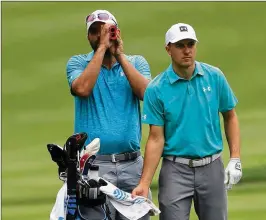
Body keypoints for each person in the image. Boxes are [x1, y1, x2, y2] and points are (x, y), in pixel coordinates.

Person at [132, 23, 242, 220]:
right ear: (168, 49)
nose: (187, 50)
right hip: (175, 170)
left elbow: (230, 116)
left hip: (212, 166)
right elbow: (156, 139)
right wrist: (145, 183)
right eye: (180, 45)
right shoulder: (156, 89)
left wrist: (235, 158)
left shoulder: (214, 77)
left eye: (190, 44)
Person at [66, 9, 152, 220]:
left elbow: (146, 94)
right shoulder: (77, 63)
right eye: (95, 32)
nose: (99, 35)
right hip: (94, 166)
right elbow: (83, 88)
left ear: (118, 32)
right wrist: (103, 47)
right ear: (88, 37)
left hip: (132, 165)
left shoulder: (136, 62)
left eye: (106, 31)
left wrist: (119, 55)